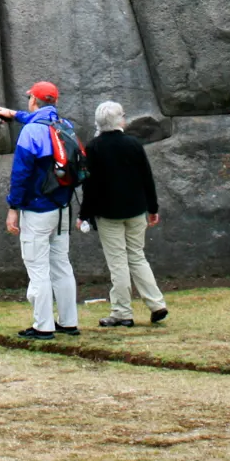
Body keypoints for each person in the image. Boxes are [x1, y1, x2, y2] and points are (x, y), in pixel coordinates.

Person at [0, 81, 79, 340]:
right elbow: (38, 118)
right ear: (54, 101)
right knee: (61, 265)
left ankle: (43, 326)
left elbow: (20, 174)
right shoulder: (66, 126)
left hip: (37, 209)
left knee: (38, 267)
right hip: (63, 207)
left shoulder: (31, 132)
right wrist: (14, 114)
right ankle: (68, 322)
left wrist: (13, 207)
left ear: (34, 100)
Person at [79, 101, 168, 328]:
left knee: (118, 262)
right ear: (120, 120)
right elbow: (147, 178)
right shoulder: (133, 144)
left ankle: (122, 312)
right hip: (136, 209)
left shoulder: (94, 147)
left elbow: (90, 187)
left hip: (108, 213)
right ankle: (156, 303)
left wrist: (84, 214)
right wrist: (153, 208)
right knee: (137, 256)